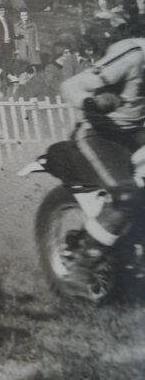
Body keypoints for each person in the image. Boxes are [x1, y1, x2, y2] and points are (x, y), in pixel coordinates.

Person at [59, 32, 145, 299]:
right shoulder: (133, 55)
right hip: (103, 134)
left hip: (139, 133)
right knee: (126, 196)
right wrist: (92, 102)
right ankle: (80, 270)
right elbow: (71, 85)